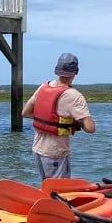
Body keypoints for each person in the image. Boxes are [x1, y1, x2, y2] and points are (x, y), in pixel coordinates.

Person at [21, 52, 95, 180]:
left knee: (47, 185)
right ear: (76, 71)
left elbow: (25, 113)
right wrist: (71, 122)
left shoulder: (42, 88)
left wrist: (48, 119)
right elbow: (90, 128)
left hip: (37, 149)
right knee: (60, 192)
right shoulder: (74, 96)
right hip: (56, 153)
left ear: (57, 69)